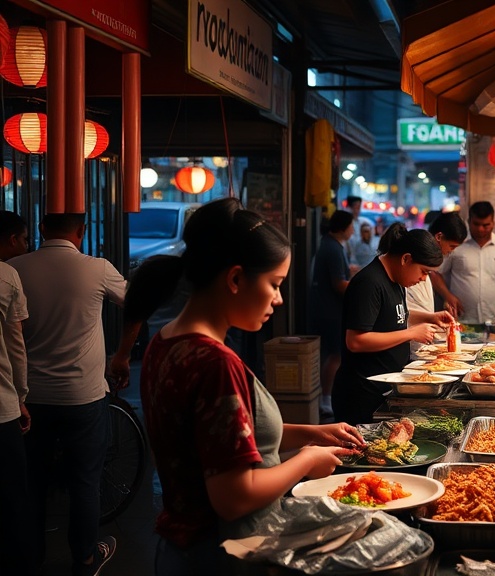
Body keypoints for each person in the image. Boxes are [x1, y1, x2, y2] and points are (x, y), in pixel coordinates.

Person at [122, 198, 365, 574]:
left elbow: (224, 441)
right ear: (235, 279)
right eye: (275, 284)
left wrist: (312, 433)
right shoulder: (215, 363)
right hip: (221, 555)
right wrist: (306, 460)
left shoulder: (166, 341)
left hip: (181, 551)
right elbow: (234, 497)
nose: (279, 299)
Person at [9, 212, 127, 576]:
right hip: (84, 396)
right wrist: (123, 355)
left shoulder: (14, 269)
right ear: (82, 231)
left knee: (32, 483)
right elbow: (138, 303)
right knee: (85, 482)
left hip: (30, 398)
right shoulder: (98, 268)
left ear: (41, 229)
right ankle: (85, 560)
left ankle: (31, 560)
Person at [333, 223, 454, 423]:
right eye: (424, 272)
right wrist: (411, 333)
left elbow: (395, 314)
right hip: (362, 393)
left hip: (385, 388)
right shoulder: (369, 283)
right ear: (406, 259)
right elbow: (355, 341)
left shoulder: (396, 281)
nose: (423, 279)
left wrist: (430, 317)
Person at [0, 233, 31, 575]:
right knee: (12, 497)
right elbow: (15, 344)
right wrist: (21, 396)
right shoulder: (6, 276)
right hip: (2, 407)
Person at [308, 210, 355, 421]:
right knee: (335, 355)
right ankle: (326, 400)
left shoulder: (330, 244)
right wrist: (360, 287)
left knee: (331, 354)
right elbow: (338, 284)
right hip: (331, 311)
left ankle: (324, 398)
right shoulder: (333, 248)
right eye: (351, 226)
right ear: (343, 228)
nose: (353, 230)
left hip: (325, 309)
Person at [436, 201, 495, 324]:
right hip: (461, 318)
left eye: (486, 225)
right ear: (469, 221)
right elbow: (436, 273)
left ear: (493, 223)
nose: (480, 229)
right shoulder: (457, 244)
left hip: (493, 318)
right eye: (476, 224)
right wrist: (448, 295)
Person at [407, 211, 467, 314]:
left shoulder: (431, 262)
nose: (451, 251)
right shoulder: (416, 257)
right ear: (439, 236)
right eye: (452, 246)